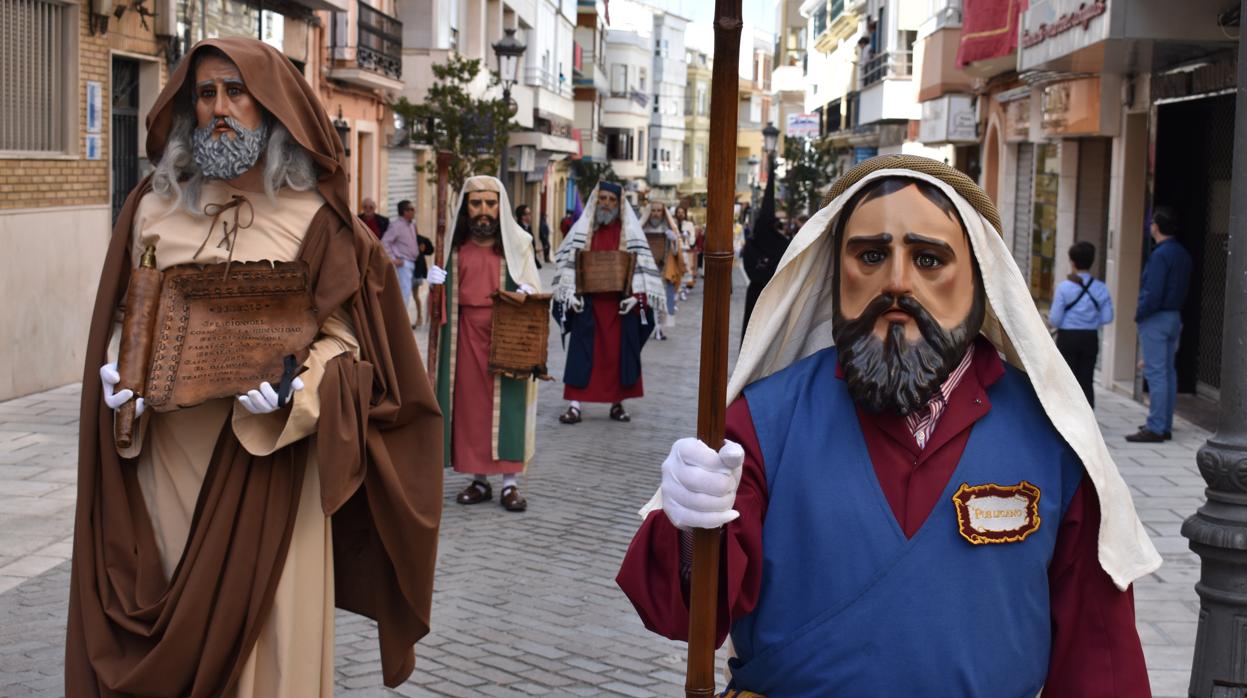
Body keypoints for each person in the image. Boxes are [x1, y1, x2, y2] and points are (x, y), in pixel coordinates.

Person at [617, 155, 1159, 695]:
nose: (896, 283)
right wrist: (691, 527)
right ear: (837, 273)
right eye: (871, 255)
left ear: (979, 280)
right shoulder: (763, 422)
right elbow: (683, 613)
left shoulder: (1054, 439)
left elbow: (1098, 657)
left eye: (928, 260)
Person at [71, 38, 443, 696]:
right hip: (166, 468)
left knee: (269, 655)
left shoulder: (317, 223)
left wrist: (294, 395)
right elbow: (132, 313)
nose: (219, 107)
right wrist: (114, 370)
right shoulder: (152, 210)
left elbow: (347, 345)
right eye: (206, 93)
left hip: (268, 467)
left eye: (236, 92)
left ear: (269, 108)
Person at [428, 176, 542, 512]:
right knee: (470, 409)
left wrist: (527, 292)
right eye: (476, 203)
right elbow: (440, 305)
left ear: (500, 206)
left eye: (490, 203)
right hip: (464, 336)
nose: (483, 211)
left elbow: (533, 282)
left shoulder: (518, 242)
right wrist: (436, 284)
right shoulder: (452, 245)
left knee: (508, 404)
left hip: (506, 333)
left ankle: (509, 484)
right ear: (466, 207)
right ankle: (479, 479)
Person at [552, 182, 664, 424]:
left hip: (618, 307)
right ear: (596, 200)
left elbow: (642, 271)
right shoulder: (583, 233)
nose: (606, 203)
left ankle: (617, 404)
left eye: (612, 200)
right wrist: (571, 295)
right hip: (588, 306)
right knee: (581, 356)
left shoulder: (631, 235)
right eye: (602, 198)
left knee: (618, 358)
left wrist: (637, 298)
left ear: (619, 204)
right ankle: (574, 405)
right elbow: (568, 268)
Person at [1127, 206, 1193, 442]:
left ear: (1156, 226)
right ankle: (1163, 422)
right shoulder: (1182, 253)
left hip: (1156, 317)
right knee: (1167, 371)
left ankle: (1156, 427)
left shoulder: (1160, 255)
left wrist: (1140, 313)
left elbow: (1153, 291)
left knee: (1155, 373)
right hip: (1174, 315)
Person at [1048, 241, 1114, 408]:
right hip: (1090, 337)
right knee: (1087, 378)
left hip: (1068, 337)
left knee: (1067, 378)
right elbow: (1107, 317)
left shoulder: (1064, 288)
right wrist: (1091, 321)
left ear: (1072, 262)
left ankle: (1066, 413)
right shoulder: (1101, 288)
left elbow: (1054, 319)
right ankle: (1087, 415)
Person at [641, 200, 685, 340]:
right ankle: (649, 326)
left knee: (662, 301)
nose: (655, 213)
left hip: (663, 270)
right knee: (647, 301)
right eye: (653, 210)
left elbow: (676, 252)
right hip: (646, 270)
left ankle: (658, 328)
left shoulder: (668, 228)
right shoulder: (642, 228)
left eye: (658, 211)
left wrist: (674, 240)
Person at [382, 199, 421, 324]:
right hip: (403, 263)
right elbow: (384, 243)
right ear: (405, 212)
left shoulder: (412, 225)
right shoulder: (396, 225)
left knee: (408, 292)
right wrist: (393, 259)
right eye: (411, 209)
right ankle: (399, 322)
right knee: (403, 293)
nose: (414, 211)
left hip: (412, 263)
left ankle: (400, 320)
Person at [413, 229, 435, 327]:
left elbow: (428, 250)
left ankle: (419, 317)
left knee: (415, 295)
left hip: (416, 271)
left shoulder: (419, 239)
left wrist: (422, 249)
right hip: (409, 270)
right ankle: (419, 318)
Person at [674, 205, 698, 294]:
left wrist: (687, 237)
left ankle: (684, 288)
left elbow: (692, 238)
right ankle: (676, 288)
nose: (680, 214)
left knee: (686, 269)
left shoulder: (689, 224)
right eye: (678, 212)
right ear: (676, 214)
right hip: (675, 250)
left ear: (685, 214)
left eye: (682, 212)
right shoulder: (673, 223)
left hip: (685, 250)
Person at [514, 203, 543, 269]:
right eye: (528, 214)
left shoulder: (528, 228)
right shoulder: (519, 229)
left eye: (530, 213)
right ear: (522, 216)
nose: (530, 216)